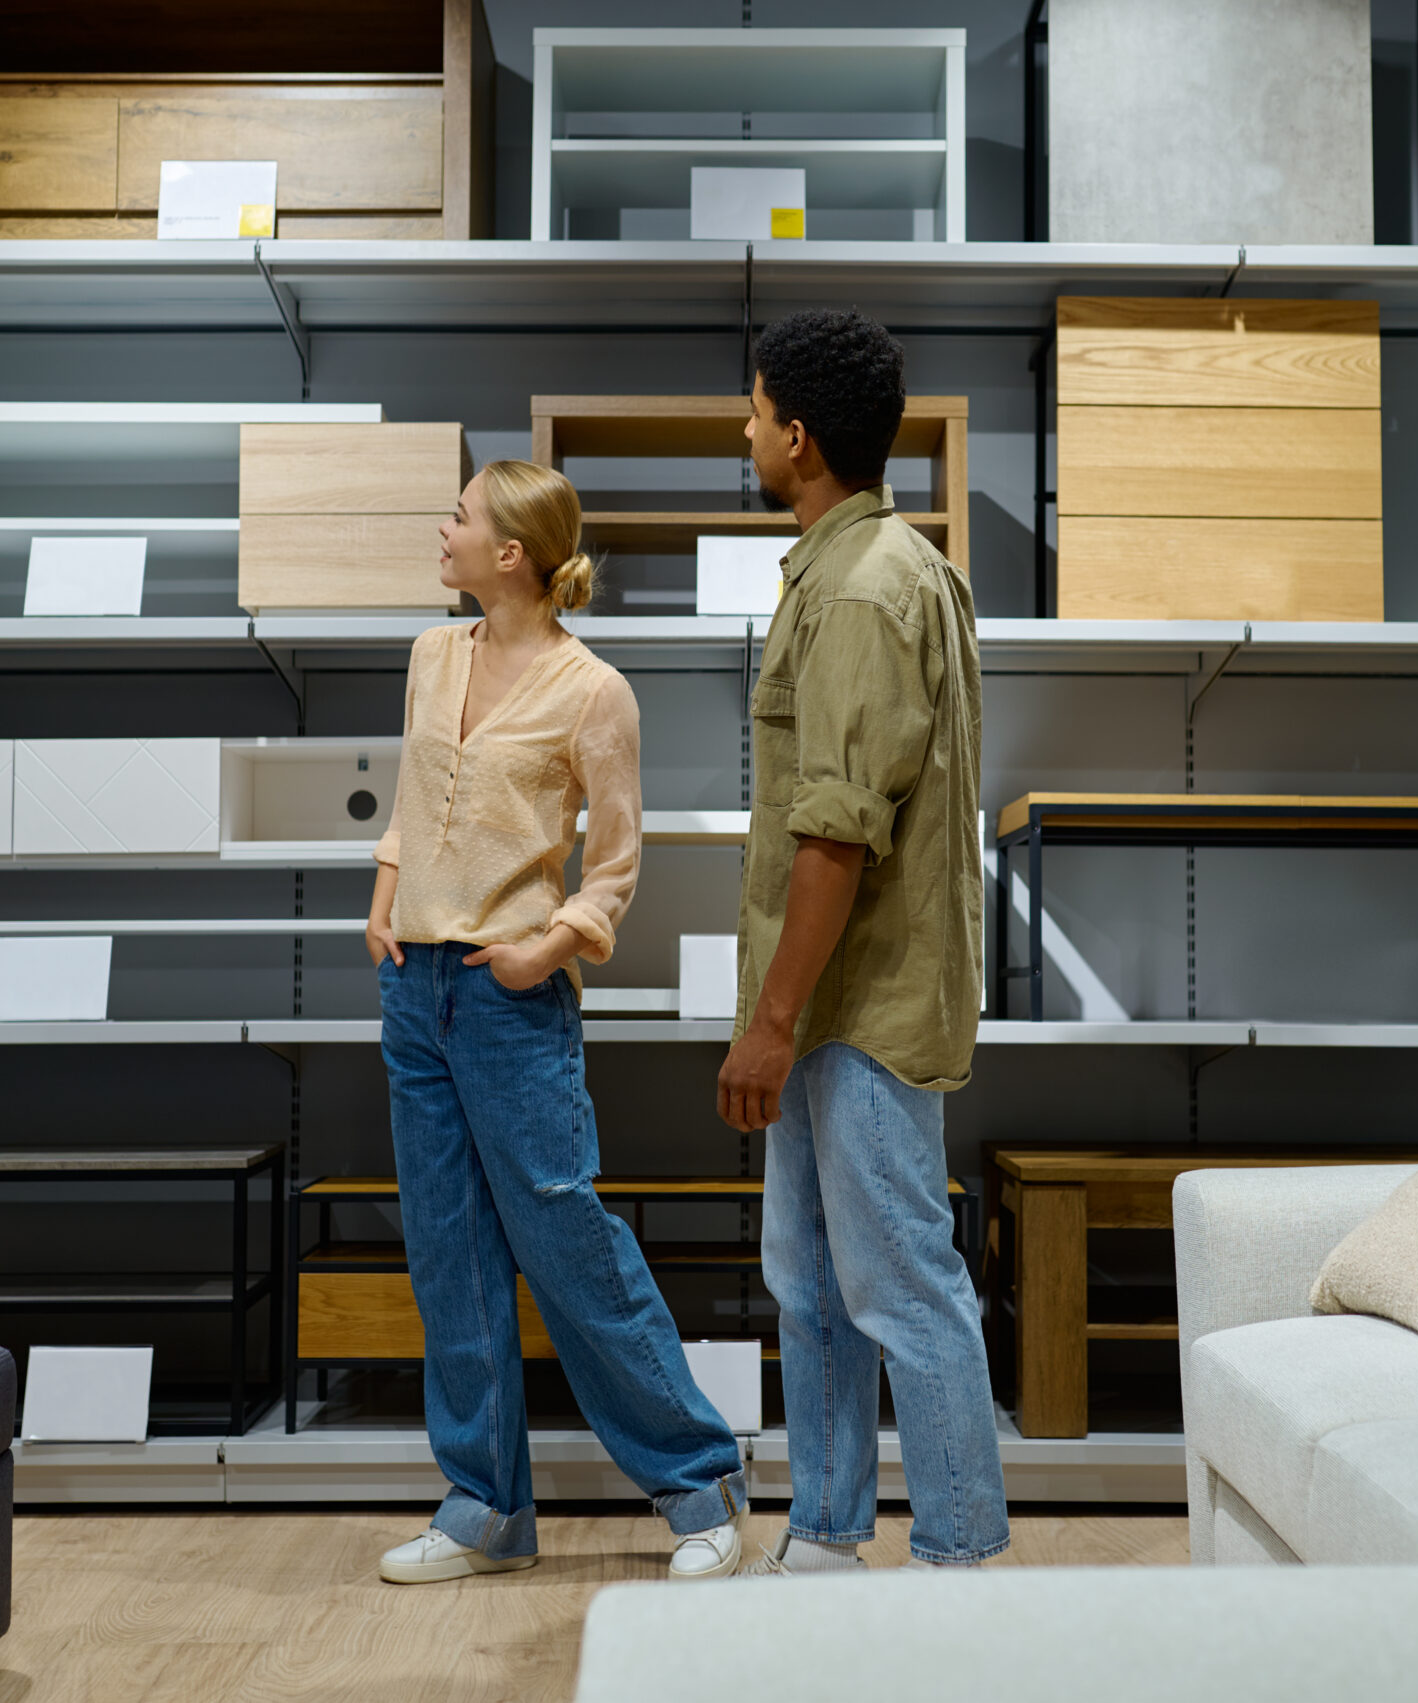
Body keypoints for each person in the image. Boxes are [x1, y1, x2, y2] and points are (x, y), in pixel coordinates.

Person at [365, 458, 751, 1585]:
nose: (443, 530)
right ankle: (485, 1506)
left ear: (510, 554)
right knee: (448, 1250)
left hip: (508, 994)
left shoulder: (594, 689)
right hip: (413, 989)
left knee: (566, 1240)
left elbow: (618, 859)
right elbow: (409, 798)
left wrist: (552, 943)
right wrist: (383, 898)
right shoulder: (433, 654)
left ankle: (701, 1484)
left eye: (460, 517)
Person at [716, 310, 1007, 1572]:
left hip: (855, 1008)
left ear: (797, 434)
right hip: (836, 1005)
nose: (743, 429)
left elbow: (834, 835)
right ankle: (825, 1536)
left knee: (900, 1288)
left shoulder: (857, 589)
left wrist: (770, 1022)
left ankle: (957, 1561)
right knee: (815, 1281)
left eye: (753, 408)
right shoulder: (891, 565)